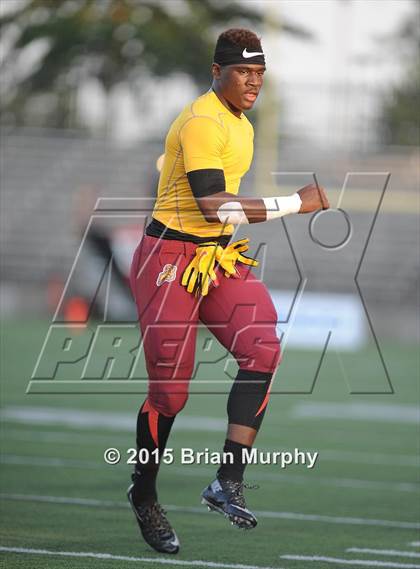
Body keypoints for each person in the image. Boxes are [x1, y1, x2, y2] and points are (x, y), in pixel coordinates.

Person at [128, 28, 329, 555]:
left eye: (259, 73)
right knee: (171, 394)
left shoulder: (240, 123)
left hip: (214, 257)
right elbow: (213, 205)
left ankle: (227, 481)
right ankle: (144, 493)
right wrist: (294, 203)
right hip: (168, 257)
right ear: (216, 72)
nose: (253, 82)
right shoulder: (201, 120)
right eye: (243, 72)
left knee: (263, 348)